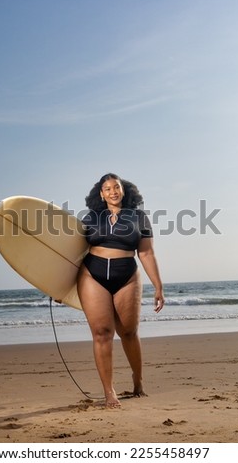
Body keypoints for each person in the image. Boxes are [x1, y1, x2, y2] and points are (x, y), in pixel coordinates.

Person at [77, 173, 164, 408]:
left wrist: (158, 285)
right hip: (91, 275)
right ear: (101, 194)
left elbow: (146, 253)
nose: (112, 191)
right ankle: (109, 392)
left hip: (127, 275)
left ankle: (138, 379)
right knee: (102, 333)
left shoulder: (139, 217)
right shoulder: (90, 218)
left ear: (124, 190)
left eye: (116, 187)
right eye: (107, 188)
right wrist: (55, 285)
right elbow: (69, 253)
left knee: (128, 332)